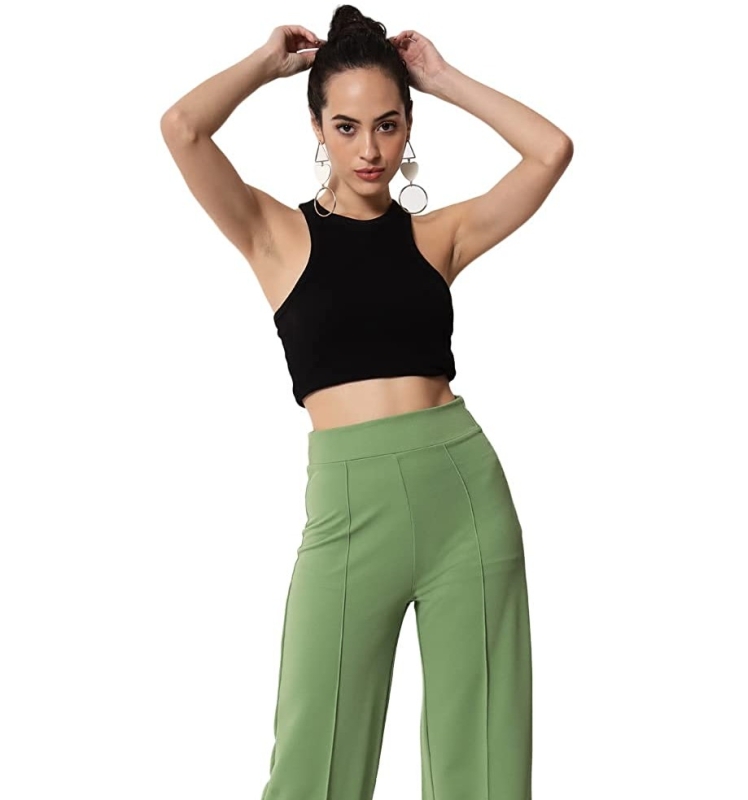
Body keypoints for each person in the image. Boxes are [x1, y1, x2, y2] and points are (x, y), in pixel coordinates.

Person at [161, 5, 572, 800]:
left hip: (464, 497)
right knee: (313, 767)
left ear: (409, 125)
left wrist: (442, 79)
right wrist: (264, 63)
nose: (370, 150)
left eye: (387, 125)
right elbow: (182, 129)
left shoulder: (437, 238)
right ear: (317, 128)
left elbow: (550, 151)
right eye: (346, 127)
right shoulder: (274, 234)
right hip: (350, 510)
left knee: (485, 767)